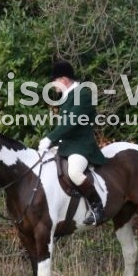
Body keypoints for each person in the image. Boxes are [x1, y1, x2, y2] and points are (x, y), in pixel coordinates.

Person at [37, 60, 109, 226]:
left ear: (63, 80)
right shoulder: (69, 95)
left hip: (81, 146)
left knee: (74, 173)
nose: (52, 86)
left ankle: (98, 208)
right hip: (67, 145)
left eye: (53, 82)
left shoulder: (82, 94)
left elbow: (70, 123)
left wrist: (50, 138)